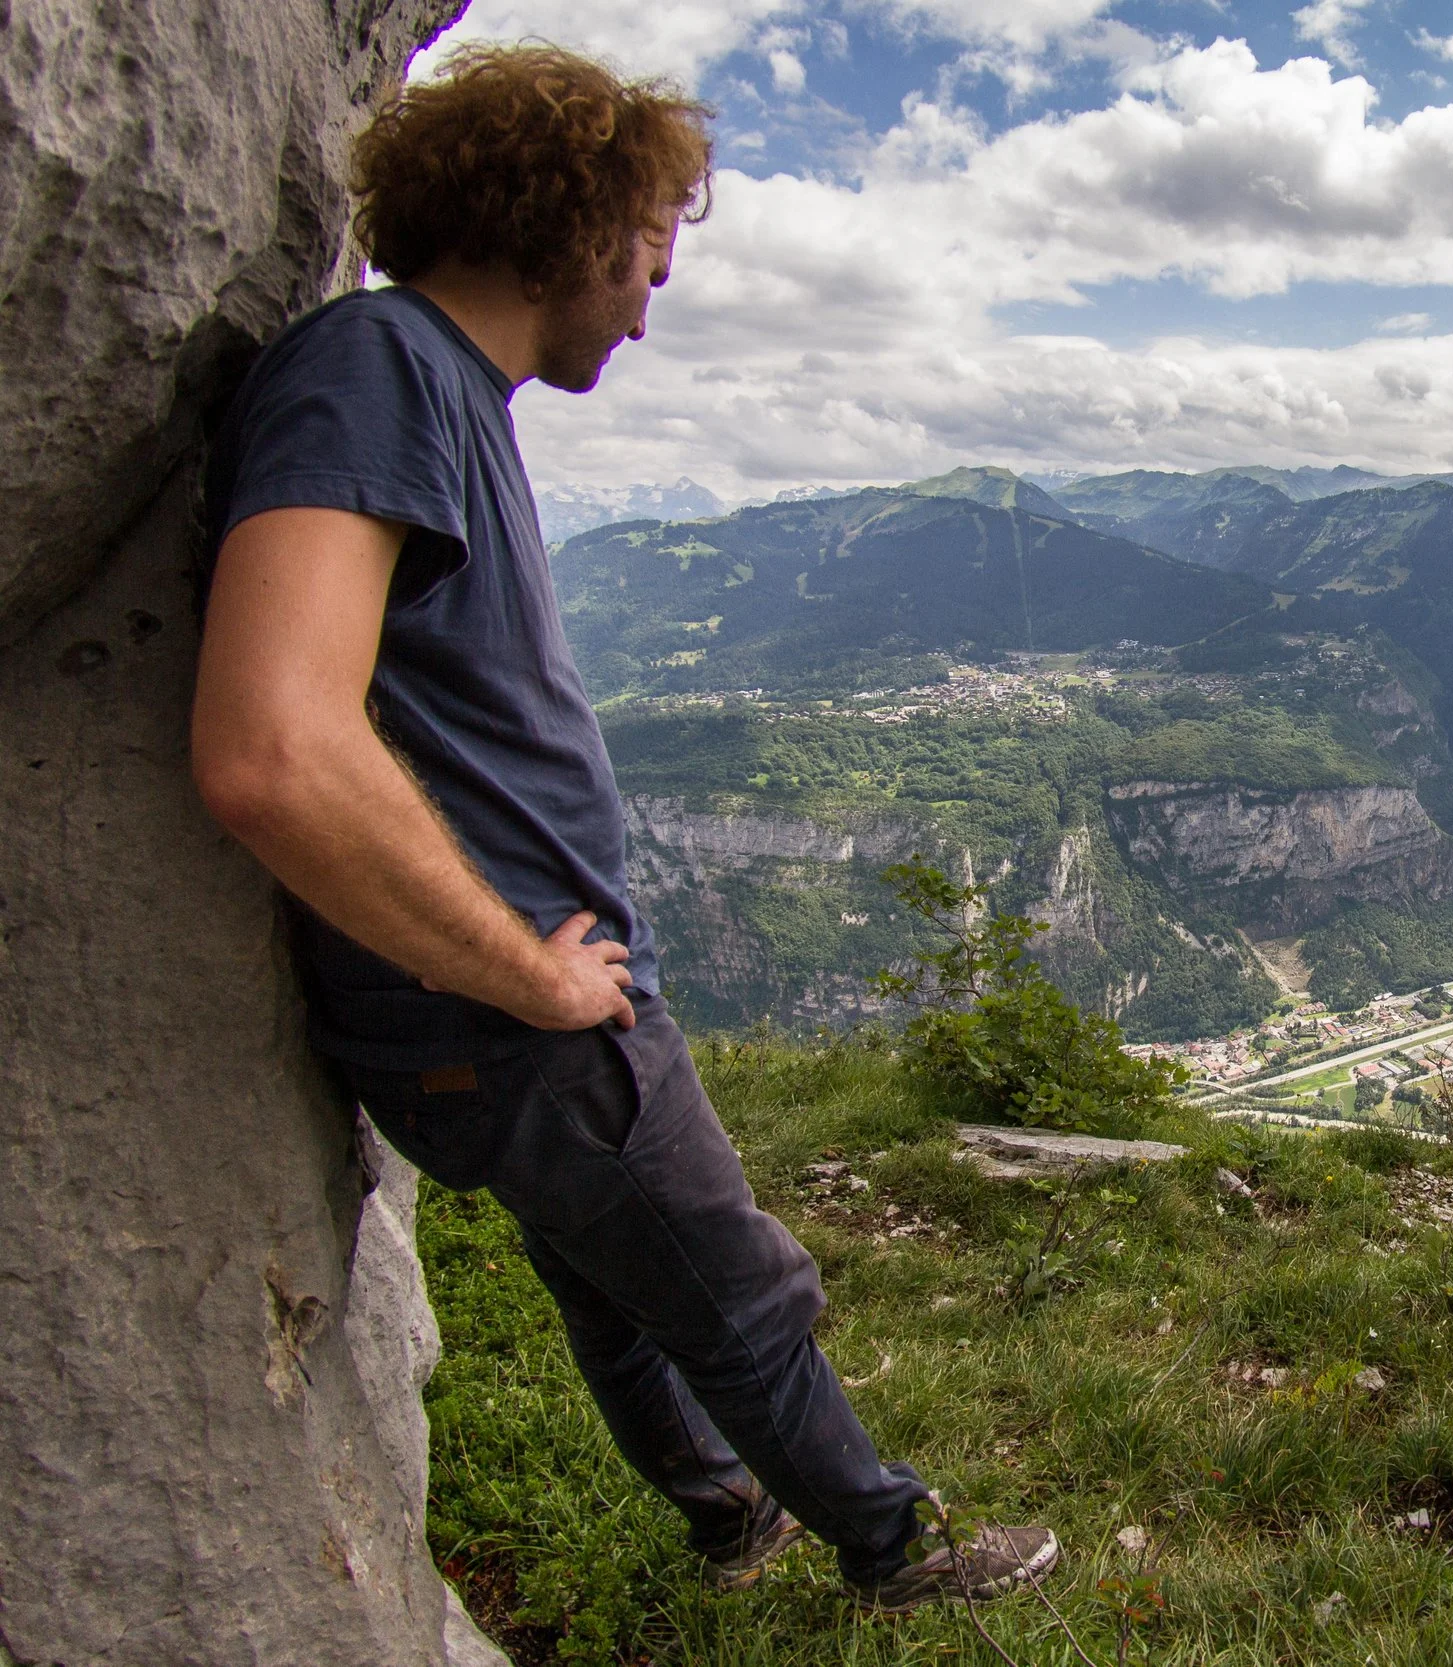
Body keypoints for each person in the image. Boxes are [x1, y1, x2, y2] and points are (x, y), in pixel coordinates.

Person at [189, 43, 1057, 1608]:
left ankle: (725, 1516)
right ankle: (893, 1546)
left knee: (604, 1265)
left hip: (502, 994)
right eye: (653, 252)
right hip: (515, 1002)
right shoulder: (379, 369)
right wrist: (527, 972)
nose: (654, 302)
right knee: (734, 1281)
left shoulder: (433, 385)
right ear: (576, 220)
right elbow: (271, 745)